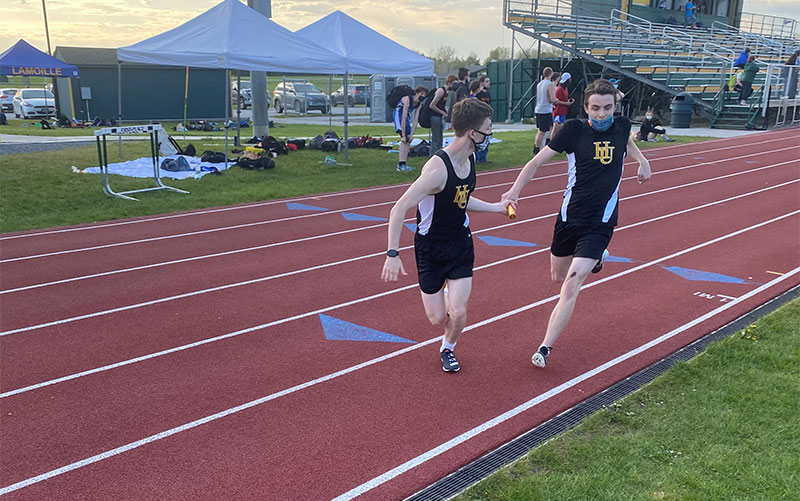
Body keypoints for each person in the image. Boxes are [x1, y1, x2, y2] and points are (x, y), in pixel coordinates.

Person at [501, 79, 651, 368]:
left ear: (615, 106)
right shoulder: (573, 131)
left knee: (570, 285)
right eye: (595, 108)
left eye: (607, 108)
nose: (601, 114)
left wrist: (642, 161)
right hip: (569, 218)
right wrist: (514, 192)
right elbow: (536, 163)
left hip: (600, 222)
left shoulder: (620, 126)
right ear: (585, 108)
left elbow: (628, 143)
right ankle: (596, 260)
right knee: (557, 276)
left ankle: (545, 347)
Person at [381, 98, 509, 372]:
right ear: (473, 132)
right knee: (437, 317)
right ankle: (447, 292)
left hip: (460, 244)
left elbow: (461, 200)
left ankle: (447, 348)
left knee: (459, 312)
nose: (491, 133)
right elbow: (399, 208)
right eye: (488, 128)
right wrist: (393, 254)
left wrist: (496, 208)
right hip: (430, 248)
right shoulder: (437, 170)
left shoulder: (470, 159)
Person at [394, 85, 429, 172]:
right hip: (399, 115)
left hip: (405, 118)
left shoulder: (418, 104)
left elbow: (416, 119)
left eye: (424, 95)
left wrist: (412, 134)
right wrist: (403, 134)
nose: (422, 96)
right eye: (421, 94)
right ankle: (400, 165)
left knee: (408, 139)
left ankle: (404, 163)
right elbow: (403, 116)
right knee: (404, 140)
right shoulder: (407, 99)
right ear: (416, 93)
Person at [429, 75, 456, 156]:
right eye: (454, 84)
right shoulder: (441, 91)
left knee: (440, 138)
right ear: (449, 83)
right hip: (435, 116)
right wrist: (442, 112)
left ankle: (438, 154)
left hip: (439, 116)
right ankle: (433, 155)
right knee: (436, 138)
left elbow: (441, 104)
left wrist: (445, 111)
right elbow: (432, 105)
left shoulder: (447, 93)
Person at [533, 67, 555, 156]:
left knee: (550, 127)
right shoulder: (549, 84)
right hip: (545, 109)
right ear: (551, 74)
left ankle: (546, 146)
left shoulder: (540, 84)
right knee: (542, 131)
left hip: (539, 108)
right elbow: (552, 99)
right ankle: (537, 149)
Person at [551, 72, 575, 140]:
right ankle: (551, 142)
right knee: (555, 129)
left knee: (560, 130)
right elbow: (556, 101)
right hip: (558, 112)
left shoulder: (565, 89)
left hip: (563, 112)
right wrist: (566, 103)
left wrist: (569, 100)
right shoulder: (559, 89)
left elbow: (563, 99)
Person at [475, 76, 492, 163]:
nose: (488, 83)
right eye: (486, 81)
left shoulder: (488, 94)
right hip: (480, 118)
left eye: (489, 81)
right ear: (482, 83)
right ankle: (478, 158)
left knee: (487, 138)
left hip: (487, 118)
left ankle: (484, 158)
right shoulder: (479, 94)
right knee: (480, 138)